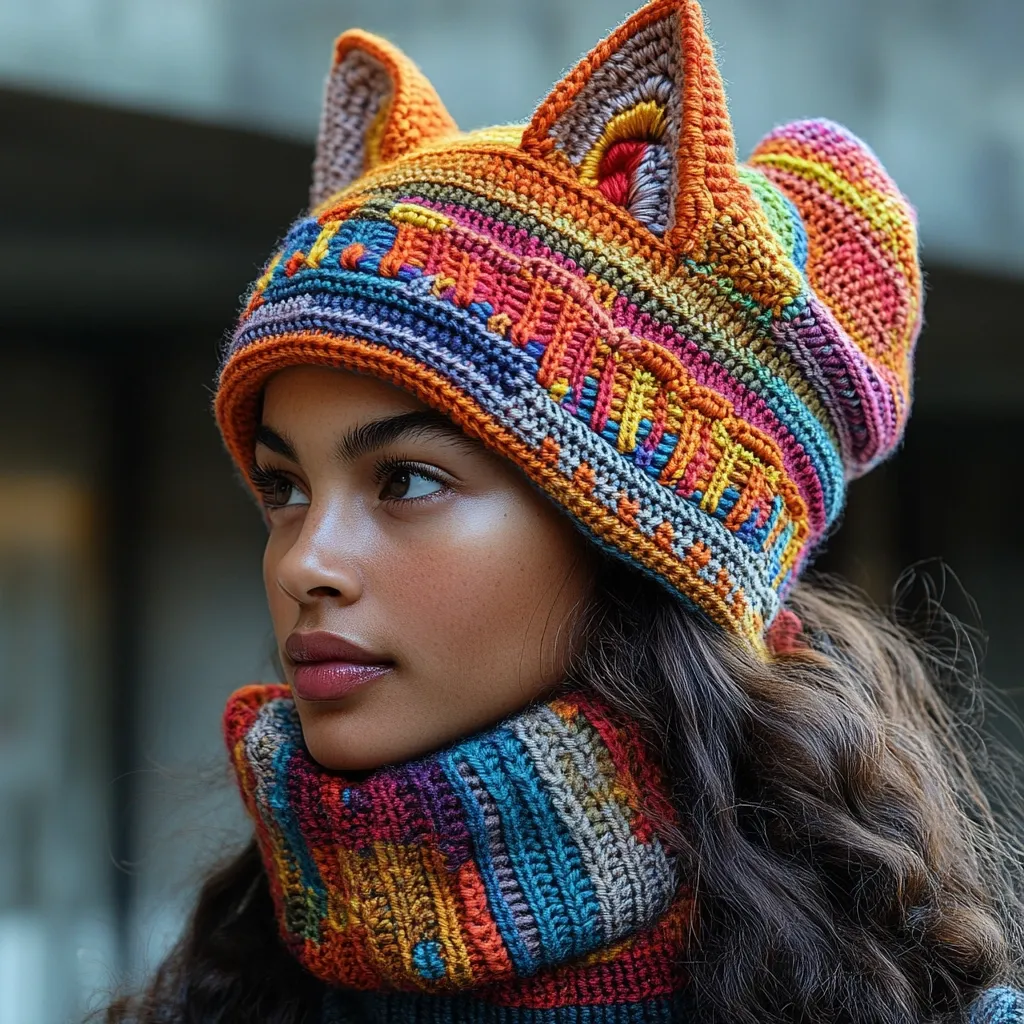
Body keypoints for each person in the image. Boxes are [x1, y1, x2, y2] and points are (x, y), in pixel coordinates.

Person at [101, 0, 1024, 1021]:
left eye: (406, 480)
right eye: (283, 488)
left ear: (644, 546)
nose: (304, 563)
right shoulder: (219, 995)